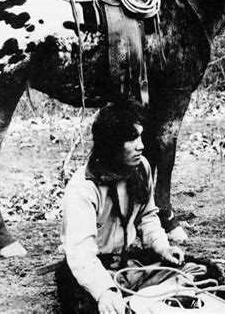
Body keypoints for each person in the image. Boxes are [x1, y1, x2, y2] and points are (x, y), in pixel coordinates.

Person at [56, 100, 190, 314]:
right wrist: (104, 291)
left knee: (197, 274)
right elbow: (81, 254)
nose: (141, 146)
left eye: (140, 136)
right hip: (93, 270)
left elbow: (148, 216)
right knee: (101, 308)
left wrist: (162, 247)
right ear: (111, 144)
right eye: (131, 139)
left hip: (130, 265)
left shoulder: (141, 167)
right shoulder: (82, 188)